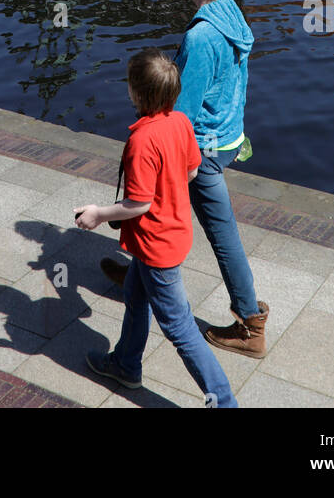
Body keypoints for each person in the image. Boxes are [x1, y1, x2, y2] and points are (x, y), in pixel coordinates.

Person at [102, 0, 268, 357]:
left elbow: (184, 108)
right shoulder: (231, 13)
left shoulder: (199, 36)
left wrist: (170, 152)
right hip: (229, 137)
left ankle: (250, 326)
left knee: (216, 229)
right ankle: (139, 275)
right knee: (156, 206)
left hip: (203, 147)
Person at [75, 49, 237, 407]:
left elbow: (139, 203)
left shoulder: (141, 140)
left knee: (180, 329)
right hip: (174, 233)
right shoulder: (180, 122)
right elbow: (192, 171)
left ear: (137, 94)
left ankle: (223, 402)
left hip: (156, 247)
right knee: (134, 296)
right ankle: (126, 364)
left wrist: (97, 214)